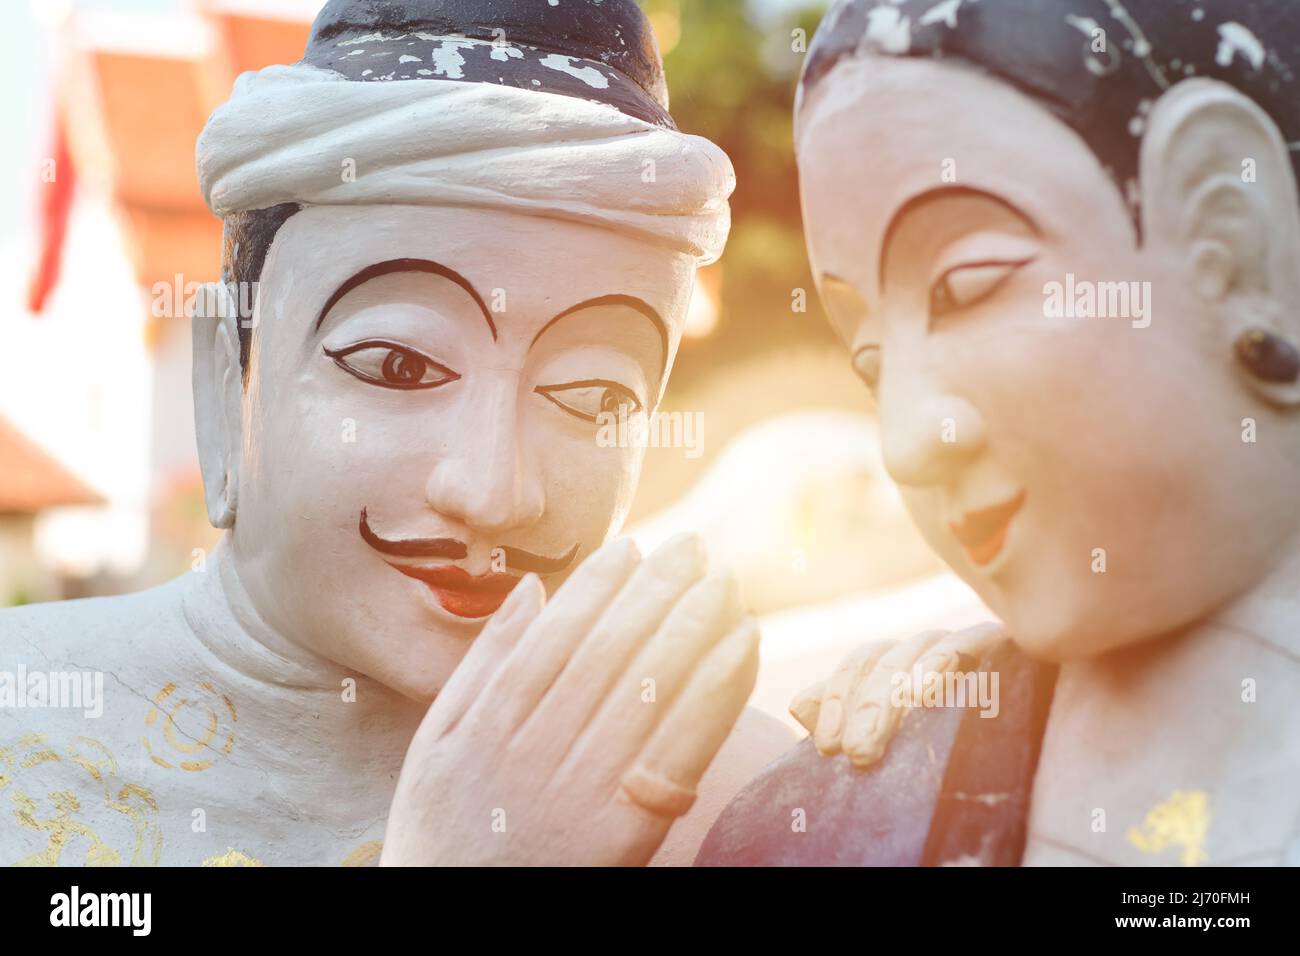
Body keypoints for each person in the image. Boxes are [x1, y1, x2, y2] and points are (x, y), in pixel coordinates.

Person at [0, 0, 794, 867]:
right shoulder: (26, 721)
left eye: (595, 396)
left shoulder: (745, 802)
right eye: (400, 367)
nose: (494, 492)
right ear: (228, 378)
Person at [701, 0, 1300, 866]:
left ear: (1232, 240)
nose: (907, 442)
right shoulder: (842, 812)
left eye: (968, 284)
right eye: (870, 363)